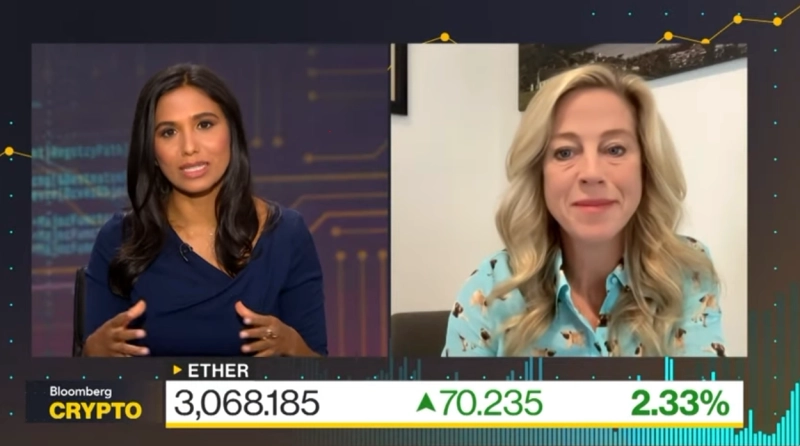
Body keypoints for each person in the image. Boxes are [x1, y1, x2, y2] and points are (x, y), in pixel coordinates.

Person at [443, 64, 725, 358]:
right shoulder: (490, 290)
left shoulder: (686, 271)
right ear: (539, 173)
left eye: (614, 149)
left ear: (646, 166)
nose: (591, 173)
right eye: (565, 152)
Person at [82, 63, 328, 357]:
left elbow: (320, 372)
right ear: (151, 151)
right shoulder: (120, 239)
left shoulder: (287, 234)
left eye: (204, 125)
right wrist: (92, 353)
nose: (189, 147)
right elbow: (89, 373)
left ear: (232, 132)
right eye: (169, 132)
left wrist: (292, 346)